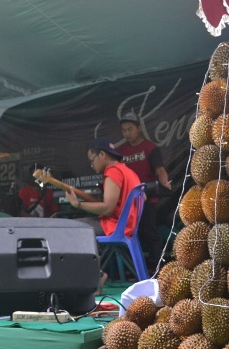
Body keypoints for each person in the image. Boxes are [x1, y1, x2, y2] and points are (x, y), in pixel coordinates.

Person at [65, 137, 141, 291]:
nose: (91, 164)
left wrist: (77, 204)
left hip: (116, 226)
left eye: (91, 159)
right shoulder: (129, 171)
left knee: (71, 229)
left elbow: (107, 208)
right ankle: (96, 274)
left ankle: (96, 276)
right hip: (127, 225)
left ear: (102, 155)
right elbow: (142, 197)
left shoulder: (113, 171)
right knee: (82, 226)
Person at [118, 111, 172, 270]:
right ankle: (134, 270)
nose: (127, 133)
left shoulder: (150, 148)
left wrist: (165, 182)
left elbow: (160, 169)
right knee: (130, 234)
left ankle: (158, 269)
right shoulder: (120, 151)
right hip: (128, 201)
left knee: (149, 232)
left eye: (130, 129)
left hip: (147, 198)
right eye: (124, 130)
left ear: (138, 128)